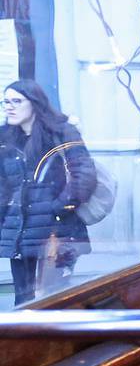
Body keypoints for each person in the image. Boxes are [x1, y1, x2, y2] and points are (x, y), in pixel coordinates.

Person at [0, 80, 97, 305]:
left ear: (34, 104)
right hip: (19, 230)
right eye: (6, 101)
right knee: (23, 301)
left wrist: (60, 207)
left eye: (16, 101)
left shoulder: (60, 132)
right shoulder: (6, 139)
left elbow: (83, 174)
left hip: (56, 228)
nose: (9, 107)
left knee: (54, 299)